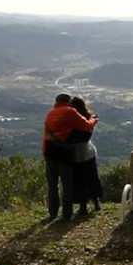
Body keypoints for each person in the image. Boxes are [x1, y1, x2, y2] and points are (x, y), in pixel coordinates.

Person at [42, 93, 97, 222]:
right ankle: (67, 213)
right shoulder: (69, 111)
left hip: (49, 150)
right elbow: (86, 125)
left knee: (52, 183)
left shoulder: (50, 113)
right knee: (67, 183)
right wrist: (94, 119)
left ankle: (53, 211)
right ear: (68, 102)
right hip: (64, 151)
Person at [70, 96, 103, 216]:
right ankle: (96, 202)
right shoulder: (88, 118)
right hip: (89, 151)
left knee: (79, 180)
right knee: (92, 177)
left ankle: (83, 206)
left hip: (78, 153)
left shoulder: (74, 121)